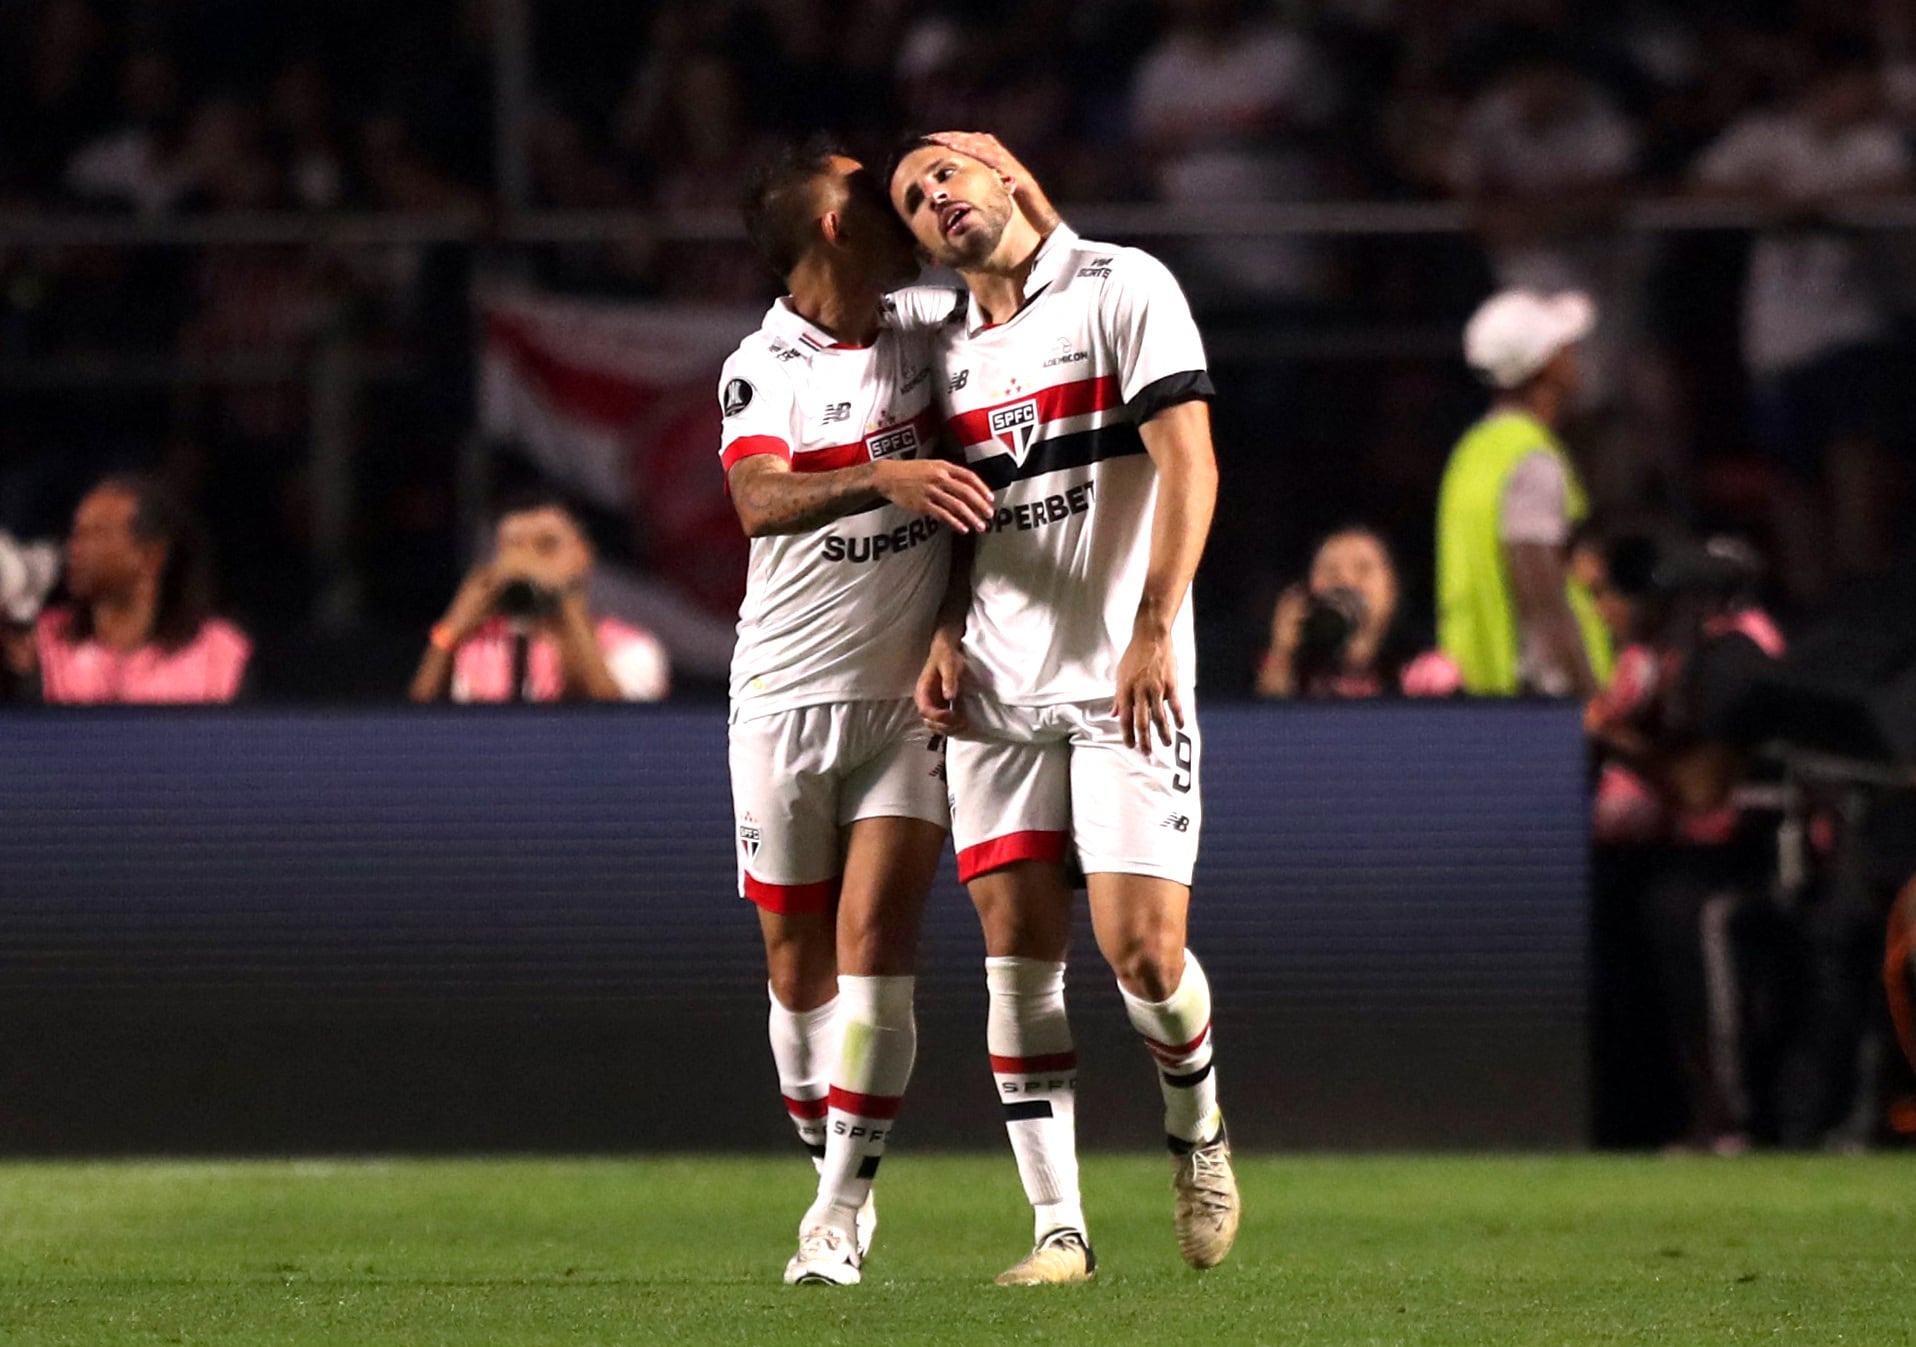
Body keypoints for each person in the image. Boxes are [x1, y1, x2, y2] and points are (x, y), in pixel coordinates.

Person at [890, 133, 1240, 1283]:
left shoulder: (1120, 285)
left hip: (1121, 676)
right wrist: (940, 634)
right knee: (1012, 961)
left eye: (947, 172)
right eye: (912, 197)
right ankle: (1058, 1234)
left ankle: (1194, 1129)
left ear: (1004, 174)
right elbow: (953, 522)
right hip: (994, 690)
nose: (936, 196)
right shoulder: (939, 352)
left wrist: (1152, 630)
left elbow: (1189, 464)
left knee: (1142, 956)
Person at [718, 137, 1003, 1286]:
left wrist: (952, 620)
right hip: (782, 697)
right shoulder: (763, 363)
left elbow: (1041, 288)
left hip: (905, 703)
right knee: (798, 973)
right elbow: (754, 497)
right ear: (834, 226)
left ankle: (835, 1214)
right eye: (874, 194)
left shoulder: (934, 326)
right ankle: (827, 1135)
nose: (904, 203)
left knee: (876, 945)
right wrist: (881, 476)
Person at [1437, 288, 1613, 699]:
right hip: (1533, 709)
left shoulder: (1473, 451)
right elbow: (1543, 598)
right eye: (1563, 346)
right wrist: (1592, 701)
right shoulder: (1530, 459)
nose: (1574, 353)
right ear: (1547, 365)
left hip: (1477, 698)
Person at [409, 492, 668, 704]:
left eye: (546, 546)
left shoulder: (631, 647)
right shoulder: (478, 647)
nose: (528, 564)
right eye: (515, 547)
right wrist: (451, 629)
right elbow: (418, 730)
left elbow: (620, 727)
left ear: (583, 556)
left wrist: (568, 607)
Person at [20, 475, 250, 705]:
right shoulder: (41, 644)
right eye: (78, 534)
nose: (75, 548)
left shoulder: (218, 653)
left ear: (153, 556)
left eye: (97, 535)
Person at [1256, 526, 1460, 699]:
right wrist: (1282, 652)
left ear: (1394, 588)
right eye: (1330, 571)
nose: (1346, 582)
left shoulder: (1426, 674)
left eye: (1364, 569)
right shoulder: (1289, 669)